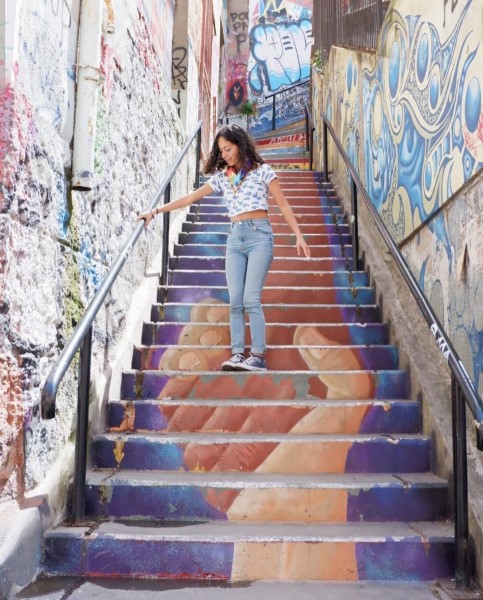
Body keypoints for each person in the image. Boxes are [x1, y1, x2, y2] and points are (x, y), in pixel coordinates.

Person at [137, 123, 311, 372]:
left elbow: (283, 204)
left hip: (259, 236)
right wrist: (155, 211)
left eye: (228, 149)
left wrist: (299, 236)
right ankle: (238, 354)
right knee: (235, 301)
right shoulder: (224, 177)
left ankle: (258, 356)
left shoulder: (262, 171)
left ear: (240, 145)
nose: (225, 155)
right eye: (221, 151)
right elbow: (191, 197)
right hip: (235, 239)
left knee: (251, 298)